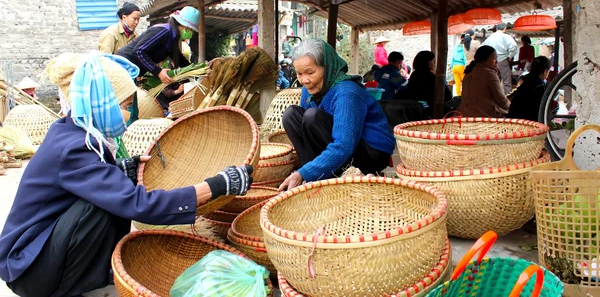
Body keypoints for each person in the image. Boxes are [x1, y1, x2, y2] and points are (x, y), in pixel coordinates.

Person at [0, 52, 253, 297]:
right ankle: (65, 284)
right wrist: (216, 186)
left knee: (111, 192)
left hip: (35, 254)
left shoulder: (70, 129)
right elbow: (137, 204)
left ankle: (89, 274)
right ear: (103, 103)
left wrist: (120, 169)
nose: (129, 115)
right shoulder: (74, 148)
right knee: (101, 206)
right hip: (29, 269)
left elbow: (78, 182)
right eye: (125, 106)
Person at [279, 39, 395, 191]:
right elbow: (306, 132)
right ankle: (314, 175)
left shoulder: (346, 92)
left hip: (370, 154)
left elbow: (343, 145)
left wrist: (303, 173)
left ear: (326, 68)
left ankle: (316, 175)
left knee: (311, 116)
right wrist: (306, 170)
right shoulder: (309, 89)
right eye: (299, 74)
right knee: (291, 115)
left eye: (310, 72)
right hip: (343, 144)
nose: (304, 80)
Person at [117, 6, 200, 85]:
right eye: (191, 30)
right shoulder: (164, 31)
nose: (191, 33)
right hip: (122, 68)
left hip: (131, 72)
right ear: (184, 26)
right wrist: (158, 71)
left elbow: (180, 60)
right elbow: (138, 51)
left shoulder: (173, 38)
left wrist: (198, 70)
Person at [458, 45, 510, 118]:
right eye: (494, 58)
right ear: (485, 59)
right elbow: (501, 100)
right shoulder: (489, 73)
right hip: (483, 115)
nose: (497, 62)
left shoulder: (469, 72)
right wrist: (512, 108)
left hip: (464, 113)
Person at [508, 56, 551, 121]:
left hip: (514, 117)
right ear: (545, 71)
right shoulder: (539, 85)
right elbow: (540, 109)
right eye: (548, 71)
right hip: (526, 121)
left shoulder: (525, 79)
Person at [482, 23, 517, 95]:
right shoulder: (505, 36)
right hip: (502, 59)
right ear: (505, 28)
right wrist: (510, 55)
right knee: (506, 81)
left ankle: (494, 97)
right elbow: (514, 45)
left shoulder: (490, 37)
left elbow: (482, 47)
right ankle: (508, 98)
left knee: (494, 80)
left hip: (491, 61)